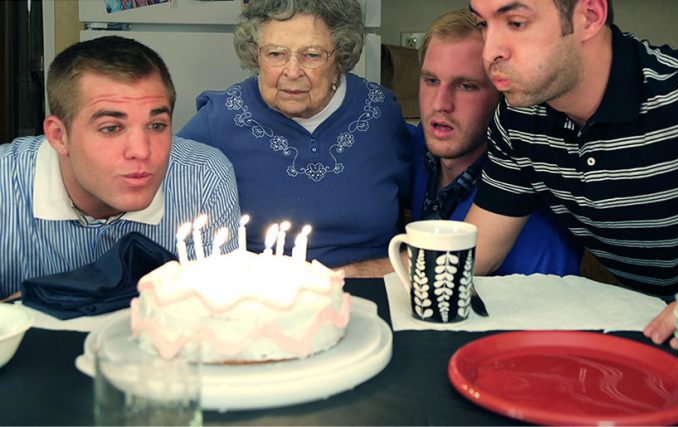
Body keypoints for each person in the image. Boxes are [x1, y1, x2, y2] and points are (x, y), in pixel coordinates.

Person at [466, 0, 678, 347]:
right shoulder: (517, 121)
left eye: (515, 23)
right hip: (642, 330)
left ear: (589, 17)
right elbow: (475, 252)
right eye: (483, 24)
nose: (489, 52)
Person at [0, 36, 241, 300]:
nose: (141, 150)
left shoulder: (205, 177)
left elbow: (214, 312)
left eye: (156, 125)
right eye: (111, 128)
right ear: (59, 136)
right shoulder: (5, 182)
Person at [178, 0, 411, 269]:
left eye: (312, 55)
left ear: (340, 57)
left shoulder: (381, 114)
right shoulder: (217, 121)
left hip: (372, 290)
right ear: (256, 54)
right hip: (266, 300)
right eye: (276, 54)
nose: (292, 71)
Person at [412, 9, 581, 275]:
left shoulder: (533, 207)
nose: (440, 104)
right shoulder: (413, 146)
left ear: (504, 96)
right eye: (431, 80)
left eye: (466, 86)